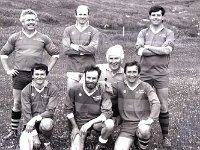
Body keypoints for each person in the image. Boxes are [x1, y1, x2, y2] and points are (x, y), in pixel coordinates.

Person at [0, 9, 59, 140]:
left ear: (36, 21)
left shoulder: (43, 38)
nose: (31, 22)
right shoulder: (15, 37)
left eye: (33, 19)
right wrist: (7, 70)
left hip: (37, 76)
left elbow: (55, 54)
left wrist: (47, 69)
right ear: (22, 21)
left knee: (37, 103)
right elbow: (3, 53)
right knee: (18, 103)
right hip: (20, 74)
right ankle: (14, 130)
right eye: (28, 20)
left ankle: (35, 129)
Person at [135, 5, 175, 148]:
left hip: (161, 73)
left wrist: (148, 47)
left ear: (162, 17)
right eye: (153, 15)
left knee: (163, 104)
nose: (156, 17)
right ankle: (139, 133)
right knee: (142, 103)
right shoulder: (143, 32)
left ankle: (165, 137)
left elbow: (167, 50)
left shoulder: (169, 33)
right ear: (149, 17)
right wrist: (157, 50)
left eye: (158, 15)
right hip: (144, 73)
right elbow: (139, 52)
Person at [113, 61, 161, 150]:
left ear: (139, 73)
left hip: (142, 123)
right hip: (127, 125)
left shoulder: (146, 86)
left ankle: (141, 146)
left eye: (134, 72)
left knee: (144, 130)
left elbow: (156, 103)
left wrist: (150, 120)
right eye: (129, 72)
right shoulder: (119, 86)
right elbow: (104, 91)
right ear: (125, 73)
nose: (132, 75)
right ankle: (133, 140)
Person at [65, 65, 114, 150]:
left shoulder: (103, 89)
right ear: (84, 77)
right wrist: (74, 127)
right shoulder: (74, 89)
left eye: (94, 78)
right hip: (80, 124)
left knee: (109, 124)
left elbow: (107, 112)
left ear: (98, 79)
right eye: (88, 77)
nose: (90, 81)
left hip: (96, 123)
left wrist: (90, 123)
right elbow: (68, 109)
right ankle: (83, 137)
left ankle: (100, 143)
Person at [19, 63, 59, 150]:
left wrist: (35, 119)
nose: (39, 77)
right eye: (36, 74)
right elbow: (27, 114)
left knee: (47, 124)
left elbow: (50, 111)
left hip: (44, 120)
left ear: (46, 75)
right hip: (29, 123)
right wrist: (35, 135)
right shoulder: (25, 91)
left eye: (42, 74)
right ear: (32, 75)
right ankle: (35, 136)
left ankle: (46, 141)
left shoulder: (53, 89)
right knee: (25, 146)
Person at [62, 4, 99, 93]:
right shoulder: (68, 30)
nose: (82, 17)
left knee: (86, 98)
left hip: (89, 70)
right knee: (71, 97)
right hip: (72, 70)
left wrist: (75, 47)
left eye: (85, 14)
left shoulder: (94, 31)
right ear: (76, 15)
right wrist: (85, 50)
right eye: (80, 14)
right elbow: (66, 49)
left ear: (88, 16)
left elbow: (93, 49)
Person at [98, 45, 125, 123]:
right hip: (99, 102)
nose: (113, 61)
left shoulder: (125, 74)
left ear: (121, 60)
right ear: (107, 59)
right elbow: (86, 82)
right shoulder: (99, 69)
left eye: (116, 58)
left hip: (115, 104)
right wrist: (102, 84)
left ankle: (118, 117)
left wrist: (121, 114)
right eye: (111, 58)